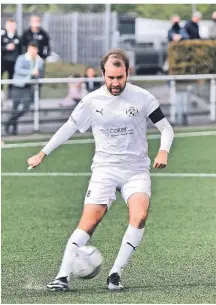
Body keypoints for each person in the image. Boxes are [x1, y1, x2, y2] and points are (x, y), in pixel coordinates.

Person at [26, 49, 175, 291]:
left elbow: (166, 128)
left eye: (120, 77)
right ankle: (62, 277)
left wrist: (164, 150)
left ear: (128, 73)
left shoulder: (143, 98)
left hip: (136, 170)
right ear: (103, 75)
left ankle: (115, 274)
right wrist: (43, 153)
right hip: (104, 170)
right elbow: (68, 128)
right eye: (110, 78)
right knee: (89, 221)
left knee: (139, 215)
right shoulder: (91, 101)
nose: (115, 83)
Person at [4, 41, 44, 135]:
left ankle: (9, 122)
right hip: (18, 85)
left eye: (34, 49)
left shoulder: (39, 60)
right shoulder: (22, 58)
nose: (33, 51)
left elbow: (40, 72)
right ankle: (13, 129)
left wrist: (37, 76)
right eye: (31, 48)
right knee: (15, 107)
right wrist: (31, 72)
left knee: (26, 107)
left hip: (28, 86)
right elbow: (18, 70)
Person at [1, 19, 21, 98]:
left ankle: (11, 96)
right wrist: (6, 48)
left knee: (12, 79)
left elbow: (21, 50)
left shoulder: (18, 38)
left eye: (13, 25)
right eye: (9, 25)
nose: (11, 27)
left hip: (14, 61)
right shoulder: (2, 37)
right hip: (3, 60)